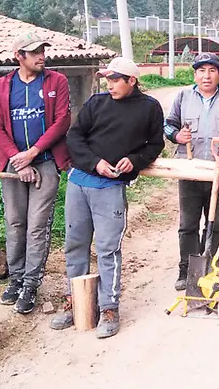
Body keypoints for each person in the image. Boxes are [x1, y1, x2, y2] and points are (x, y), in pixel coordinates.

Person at [51, 57, 164, 338]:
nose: (109, 84)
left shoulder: (149, 108)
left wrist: (134, 160)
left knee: (107, 248)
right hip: (80, 182)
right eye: (107, 79)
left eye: (115, 79)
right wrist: (94, 163)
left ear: (132, 81)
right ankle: (73, 299)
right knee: (75, 244)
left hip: (111, 188)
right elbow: (75, 137)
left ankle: (109, 307)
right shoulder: (96, 103)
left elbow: (155, 144)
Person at [0, 32, 71, 314]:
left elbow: (62, 121)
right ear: (19, 57)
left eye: (42, 50)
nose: (41, 56)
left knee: (37, 224)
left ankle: (31, 284)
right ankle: (15, 278)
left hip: (46, 160)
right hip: (14, 164)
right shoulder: (2, 86)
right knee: (14, 223)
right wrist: (17, 160)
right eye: (34, 52)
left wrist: (33, 153)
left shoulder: (56, 82)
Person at [164, 52, 219, 291]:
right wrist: (176, 135)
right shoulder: (183, 97)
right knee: (188, 223)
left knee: (213, 223)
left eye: (212, 70)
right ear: (195, 74)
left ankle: (206, 265)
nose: (207, 76)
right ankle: (186, 269)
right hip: (190, 168)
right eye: (201, 71)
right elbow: (168, 124)